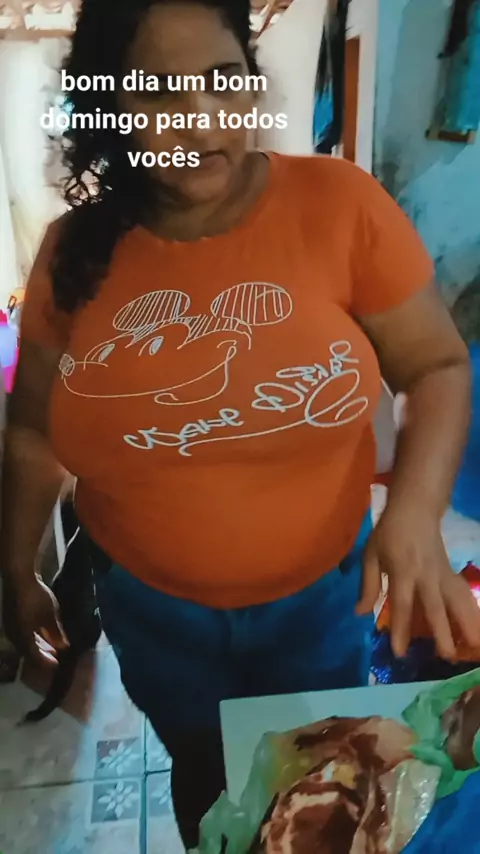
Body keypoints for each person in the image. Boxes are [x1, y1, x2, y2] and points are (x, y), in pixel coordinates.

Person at [2, 0, 480, 847]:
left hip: (320, 599)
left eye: (224, 80)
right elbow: (34, 430)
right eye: (158, 91)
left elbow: (436, 366)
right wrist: (15, 564)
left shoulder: (340, 207)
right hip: (153, 611)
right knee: (203, 770)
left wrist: (412, 513)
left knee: (323, 777)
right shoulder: (74, 253)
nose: (202, 120)